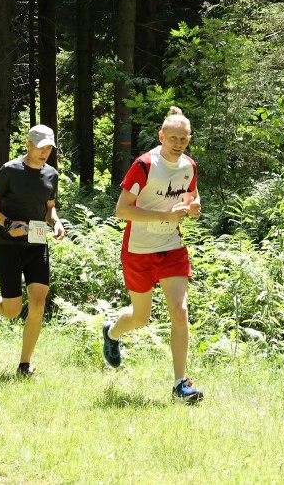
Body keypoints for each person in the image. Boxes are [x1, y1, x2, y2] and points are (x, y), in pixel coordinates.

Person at [102, 106, 203, 403]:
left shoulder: (189, 166)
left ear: (189, 140)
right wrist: (164, 217)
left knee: (179, 310)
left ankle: (179, 385)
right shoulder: (145, 165)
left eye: (183, 139)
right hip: (139, 250)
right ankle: (111, 332)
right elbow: (122, 210)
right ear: (161, 136)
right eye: (172, 138)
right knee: (141, 317)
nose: (177, 144)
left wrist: (192, 207)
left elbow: (191, 195)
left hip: (171, 247)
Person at [0, 124, 65, 376]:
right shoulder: (10, 171)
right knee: (12, 311)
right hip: (10, 246)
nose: (45, 151)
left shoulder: (51, 174)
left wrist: (56, 222)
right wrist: (8, 223)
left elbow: (49, 207)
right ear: (28, 145)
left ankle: (24, 364)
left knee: (38, 302)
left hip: (37, 245)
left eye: (49, 147)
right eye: (41, 146)